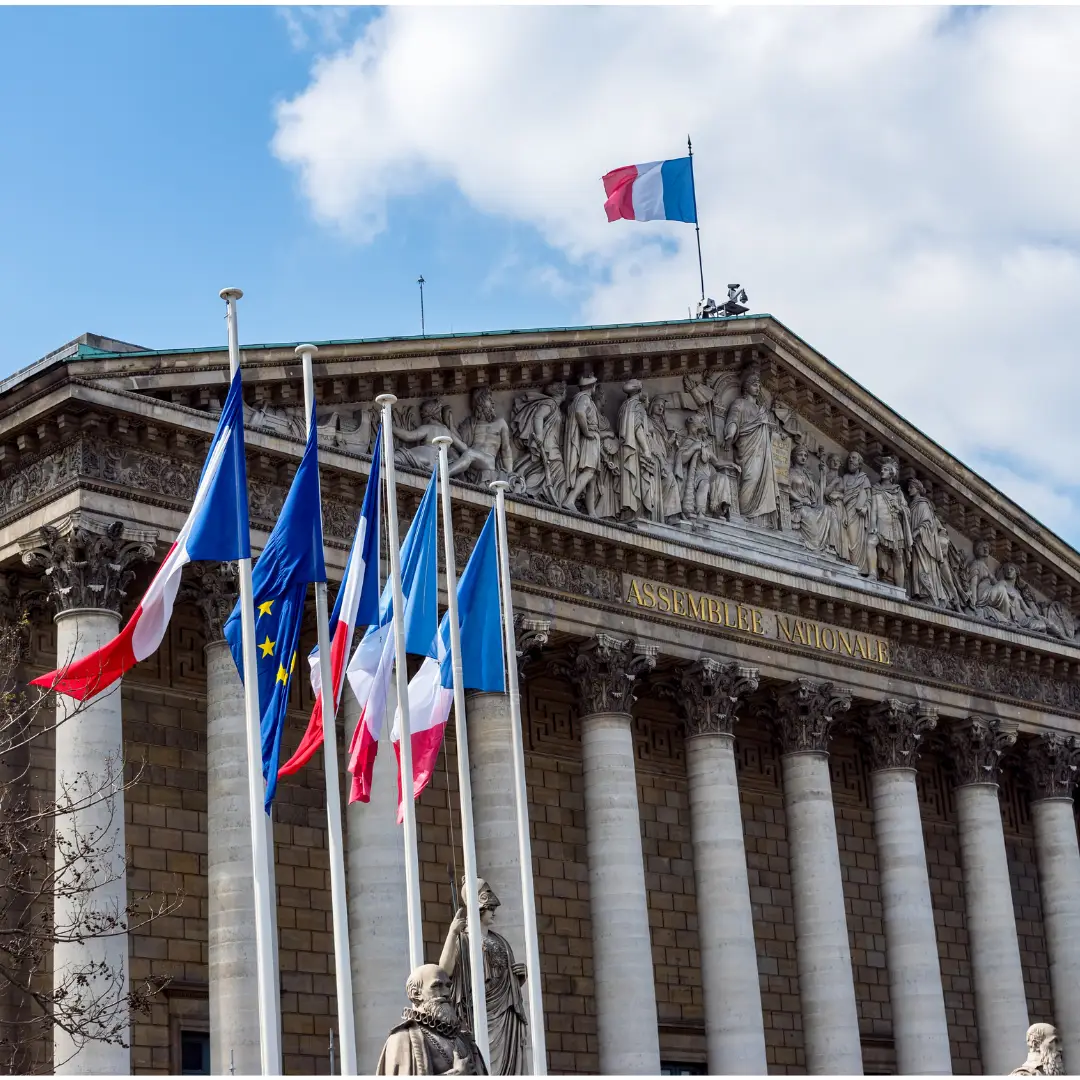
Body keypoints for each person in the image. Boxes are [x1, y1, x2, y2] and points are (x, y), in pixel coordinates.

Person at [440, 880, 528, 1076]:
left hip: (505, 1017)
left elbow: (503, 981)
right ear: (479, 907)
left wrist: (518, 979)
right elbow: (444, 971)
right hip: (475, 1014)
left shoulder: (501, 942)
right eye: (490, 908)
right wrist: (452, 933)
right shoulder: (462, 939)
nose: (494, 911)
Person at [376, 964, 489, 1075]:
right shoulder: (402, 1038)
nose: (446, 993)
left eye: (448, 986)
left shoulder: (464, 1038)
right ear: (416, 993)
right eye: (437, 986)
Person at [722, 368, 780, 527]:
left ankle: (760, 518)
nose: (758, 387)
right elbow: (733, 420)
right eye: (754, 384)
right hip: (747, 448)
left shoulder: (762, 410)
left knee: (764, 480)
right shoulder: (740, 403)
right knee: (751, 478)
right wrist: (730, 433)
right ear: (746, 386)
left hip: (763, 451)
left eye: (759, 384)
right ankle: (745, 513)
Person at [510, 383, 567, 506]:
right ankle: (536, 492)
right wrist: (539, 436)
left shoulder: (557, 409)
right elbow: (538, 416)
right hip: (547, 444)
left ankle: (532, 490)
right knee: (557, 469)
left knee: (541, 469)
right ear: (562, 393)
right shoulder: (550, 403)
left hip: (552, 445)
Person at [869, 457, 912, 588]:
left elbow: (906, 510)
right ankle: (872, 573)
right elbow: (874, 509)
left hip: (894, 525)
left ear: (892, 473)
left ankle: (900, 588)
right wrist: (873, 525)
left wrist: (900, 509)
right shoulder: (875, 489)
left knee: (898, 556)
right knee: (871, 542)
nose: (882, 471)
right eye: (882, 469)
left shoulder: (897, 491)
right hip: (880, 525)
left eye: (886, 469)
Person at [563, 377, 601, 513]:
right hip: (589, 438)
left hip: (593, 438)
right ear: (593, 386)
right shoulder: (584, 397)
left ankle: (592, 512)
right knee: (589, 471)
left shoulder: (583, 398)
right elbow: (580, 412)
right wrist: (586, 432)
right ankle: (570, 500)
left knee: (593, 475)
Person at [788, 445, 833, 554]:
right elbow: (787, 488)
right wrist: (800, 499)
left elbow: (816, 492)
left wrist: (823, 474)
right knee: (809, 514)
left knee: (827, 509)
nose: (803, 457)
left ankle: (822, 545)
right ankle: (814, 546)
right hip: (797, 506)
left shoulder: (807, 475)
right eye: (800, 455)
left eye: (805, 455)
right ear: (794, 457)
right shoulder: (790, 472)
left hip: (809, 505)